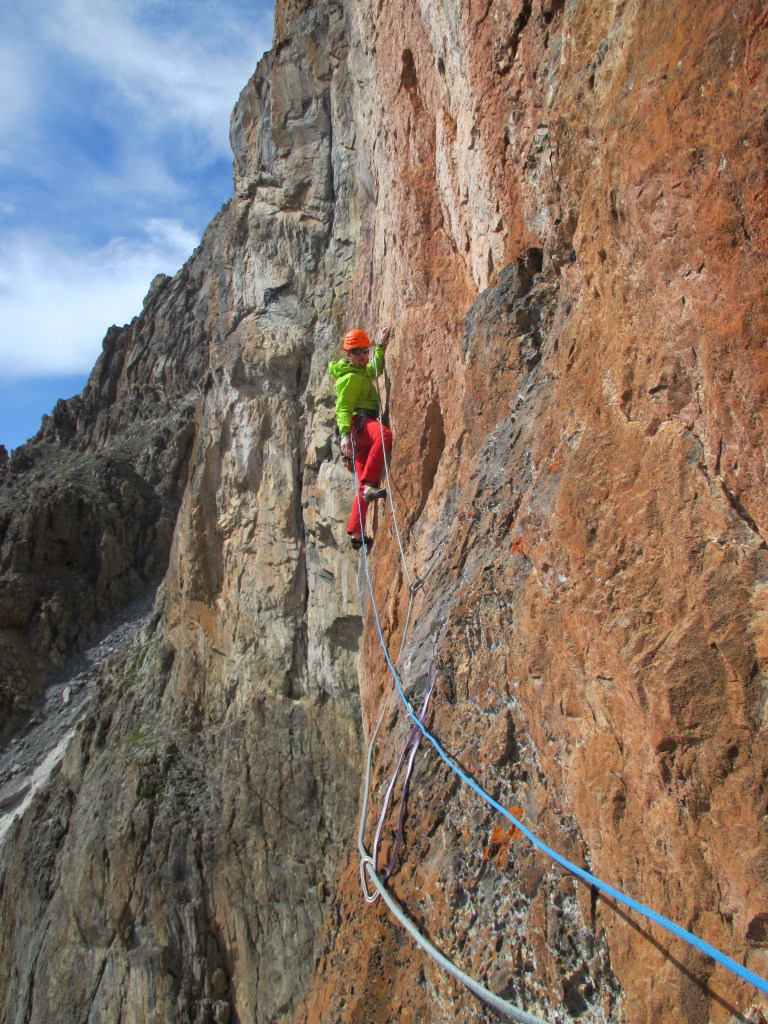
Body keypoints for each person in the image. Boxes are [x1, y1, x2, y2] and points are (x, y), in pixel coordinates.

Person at [329, 325, 393, 549]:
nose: (364, 356)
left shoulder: (360, 371)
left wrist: (380, 346)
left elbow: (375, 369)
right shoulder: (348, 379)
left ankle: (356, 534)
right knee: (384, 435)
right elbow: (343, 408)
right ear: (348, 355)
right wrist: (345, 434)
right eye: (358, 352)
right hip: (359, 425)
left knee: (362, 485)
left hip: (357, 436)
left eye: (366, 350)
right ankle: (369, 487)